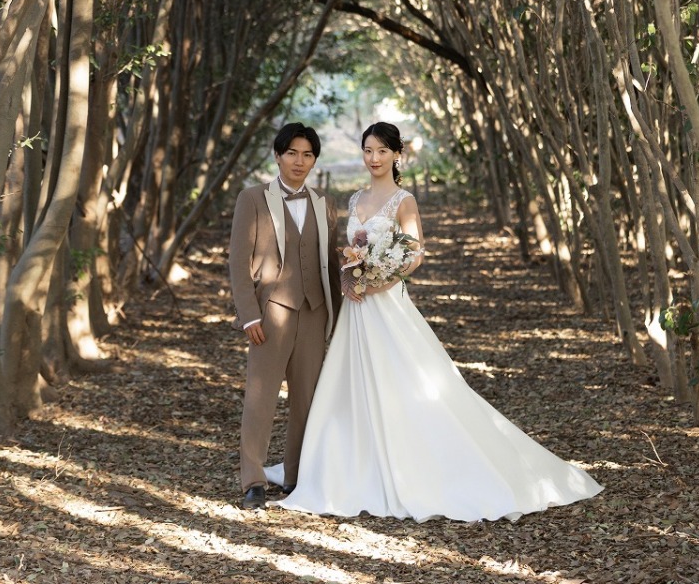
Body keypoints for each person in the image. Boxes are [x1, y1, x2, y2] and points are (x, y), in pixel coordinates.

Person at [279, 121, 603, 522]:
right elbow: (351, 250)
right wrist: (352, 272)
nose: (374, 158)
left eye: (382, 151)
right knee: (351, 381)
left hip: (386, 303)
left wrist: (381, 280)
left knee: (406, 380)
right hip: (357, 306)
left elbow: (414, 254)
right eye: (368, 150)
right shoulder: (355, 198)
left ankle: (413, 464)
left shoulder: (403, 200)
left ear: (396, 155)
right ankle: (352, 463)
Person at [229, 122, 342, 509]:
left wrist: (338, 318)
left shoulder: (324, 202)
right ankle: (253, 481)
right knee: (260, 398)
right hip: (270, 313)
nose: (299, 161)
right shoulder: (252, 199)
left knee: (307, 399)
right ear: (277, 156)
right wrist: (249, 315)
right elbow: (238, 262)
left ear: (314, 160)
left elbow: (330, 265)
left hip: (315, 311)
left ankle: (296, 476)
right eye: (292, 153)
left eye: (307, 154)